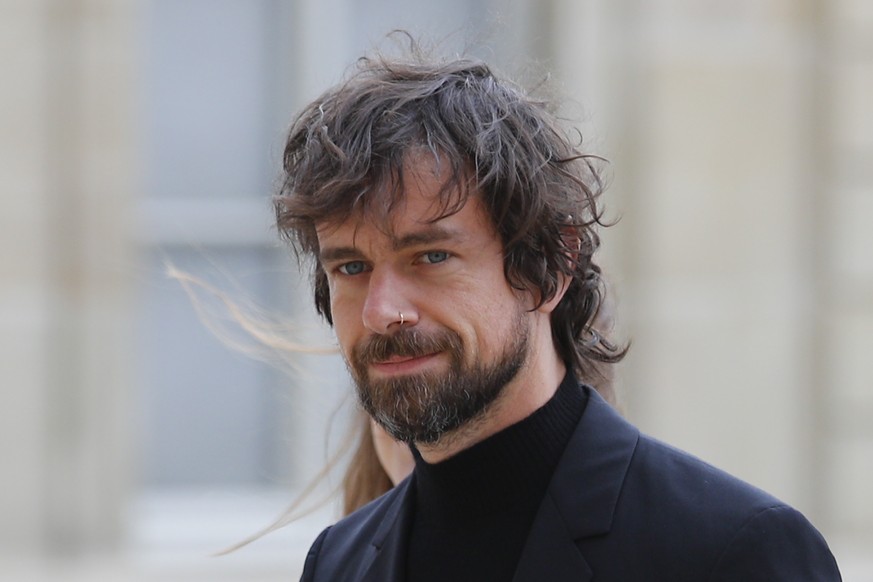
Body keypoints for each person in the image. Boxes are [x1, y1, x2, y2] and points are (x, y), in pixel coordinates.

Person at [276, 50, 841, 581]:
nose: (382, 312)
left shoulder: (732, 551)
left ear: (549, 266)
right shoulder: (337, 563)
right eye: (351, 268)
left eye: (431, 257)